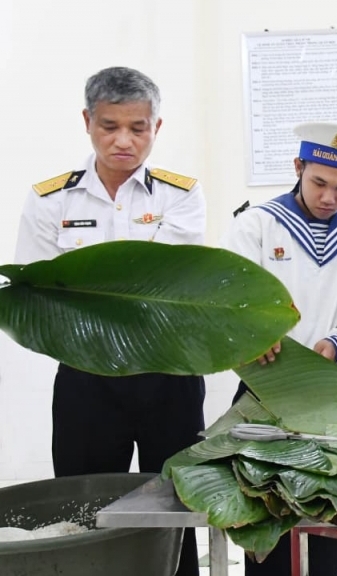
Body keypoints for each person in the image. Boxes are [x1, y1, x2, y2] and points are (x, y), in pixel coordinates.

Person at [14, 66, 206, 576]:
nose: (124, 140)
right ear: (87, 122)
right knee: (82, 508)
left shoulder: (181, 194)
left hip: (170, 374)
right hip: (86, 377)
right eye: (109, 126)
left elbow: (167, 290)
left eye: (138, 127)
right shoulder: (50, 198)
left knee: (178, 505)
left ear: (156, 127)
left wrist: (89, 290)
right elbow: (37, 297)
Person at [222, 121, 337, 576]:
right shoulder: (255, 224)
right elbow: (233, 295)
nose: (330, 197)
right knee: (265, 512)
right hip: (264, 387)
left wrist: (335, 344)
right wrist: (257, 331)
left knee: (326, 513)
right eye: (319, 183)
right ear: (298, 167)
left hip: (331, 391)